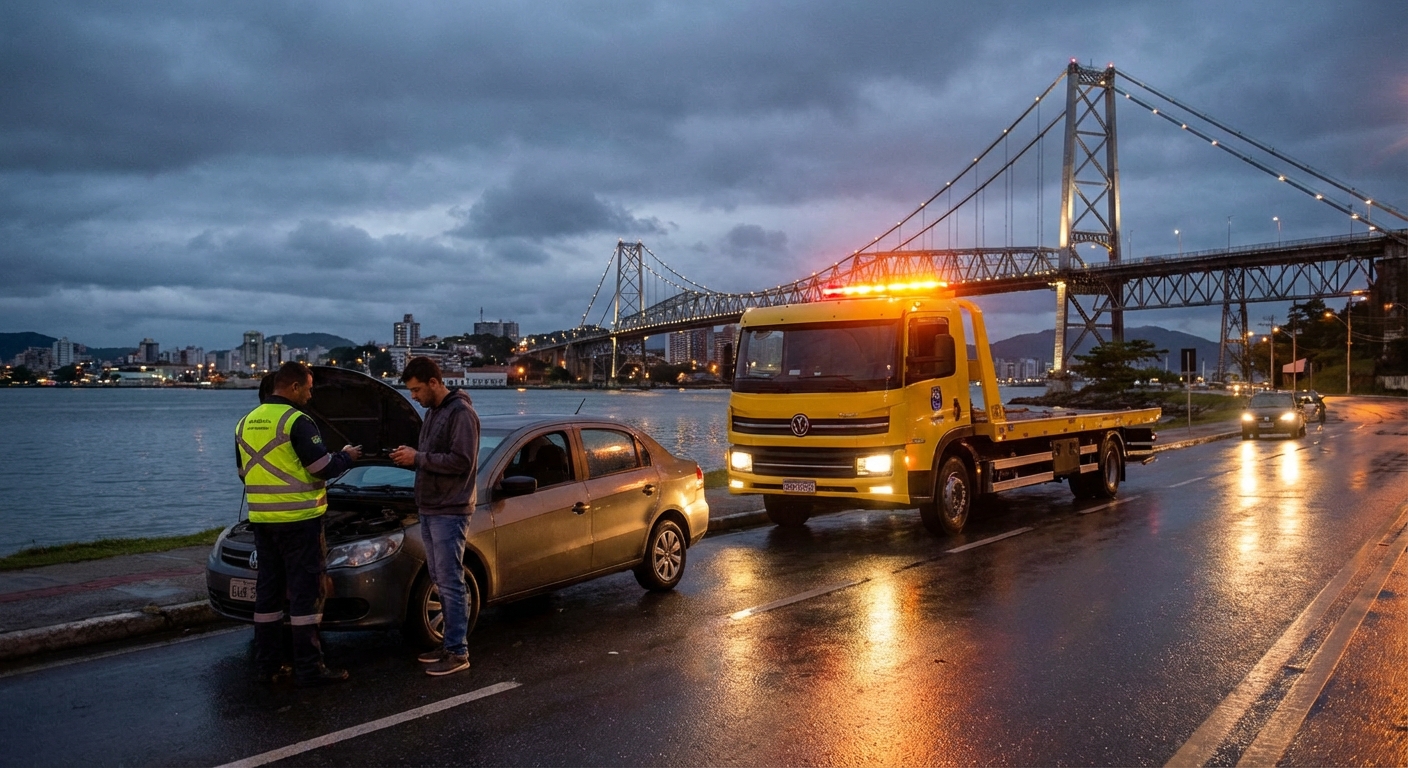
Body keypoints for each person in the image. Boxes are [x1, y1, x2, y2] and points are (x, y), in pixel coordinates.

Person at [235, 361, 361, 687]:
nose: (310, 393)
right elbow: (322, 467)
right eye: (308, 387)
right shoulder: (298, 421)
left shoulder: (244, 423)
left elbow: (242, 473)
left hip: (262, 522)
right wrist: (346, 456)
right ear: (293, 387)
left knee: (268, 596)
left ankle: (269, 666)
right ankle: (310, 668)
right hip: (300, 522)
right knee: (305, 596)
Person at [390, 356, 480, 677]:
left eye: (416, 390)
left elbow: (462, 461)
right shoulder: (434, 413)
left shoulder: (461, 414)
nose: (413, 397)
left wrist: (418, 458)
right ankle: (448, 644)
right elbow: (432, 457)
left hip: (450, 509)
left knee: (451, 581)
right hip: (430, 507)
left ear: (433, 382)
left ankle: (457, 652)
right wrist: (412, 455)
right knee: (441, 580)